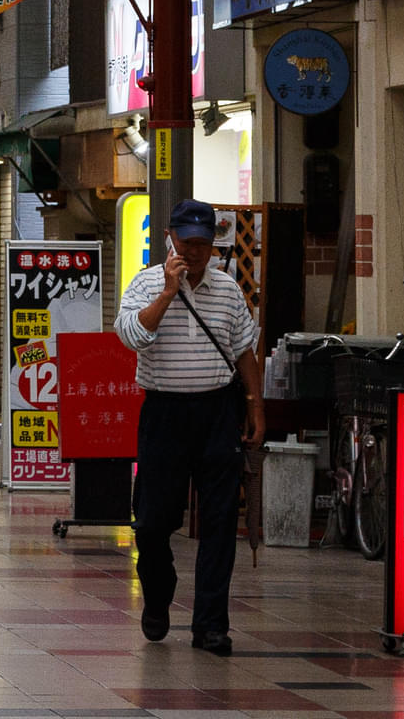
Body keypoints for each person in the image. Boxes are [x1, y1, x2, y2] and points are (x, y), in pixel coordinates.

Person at [112, 199, 264, 657]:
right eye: (187, 242)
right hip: (164, 415)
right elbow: (131, 337)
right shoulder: (144, 283)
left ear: (214, 247)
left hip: (218, 413)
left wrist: (256, 408)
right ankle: (158, 595)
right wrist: (167, 293)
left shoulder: (228, 289)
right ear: (169, 239)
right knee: (153, 522)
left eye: (204, 244)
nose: (195, 252)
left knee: (220, 522)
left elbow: (244, 350)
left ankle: (211, 624)